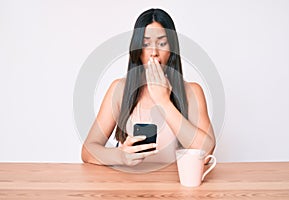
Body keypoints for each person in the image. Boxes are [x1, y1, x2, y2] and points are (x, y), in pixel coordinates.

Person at [81, 8, 215, 166]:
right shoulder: (119, 89)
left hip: (176, 188)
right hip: (130, 187)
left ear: (172, 50)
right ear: (138, 50)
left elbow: (206, 153)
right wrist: (121, 156)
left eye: (162, 43)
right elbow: (87, 151)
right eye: (146, 44)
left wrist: (163, 101)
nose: (154, 52)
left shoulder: (192, 91)